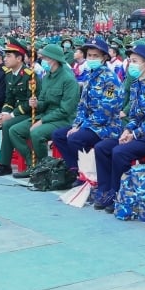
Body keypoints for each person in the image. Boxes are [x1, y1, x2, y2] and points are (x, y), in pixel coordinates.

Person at [91, 43, 145, 212]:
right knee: (103, 147)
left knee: (120, 152)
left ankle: (119, 194)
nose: (131, 64)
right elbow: (135, 116)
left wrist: (135, 134)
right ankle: (105, 190)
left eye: (135, 61)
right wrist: (128, 130)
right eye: (130, 60)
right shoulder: (137, 85)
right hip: (140, 134)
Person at [51, 37, 122, 184]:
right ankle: (75, 169)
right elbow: (82, 105)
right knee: (58, 135)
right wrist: (76, 125)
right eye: (89, 55)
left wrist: (82, 127)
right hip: (89, 125)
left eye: (96, 56)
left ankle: (86, 174)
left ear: (104, 58)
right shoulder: (90, 76)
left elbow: (106, 111)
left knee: (75, 138)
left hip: (106, 128)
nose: (92, 58)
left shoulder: (110, 79)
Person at [8, 44, 80, 174]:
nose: (43, 61)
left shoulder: (68, 80)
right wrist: (36, 104)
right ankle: (33, 164)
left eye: (46, 58)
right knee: (14, 130)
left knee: (37, 133)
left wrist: (42, 121)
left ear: (54, 59)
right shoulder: (47, 77)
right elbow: (43, 101)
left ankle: (45, 168)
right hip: (46, 115)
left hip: (62, 119)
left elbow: (66, 110)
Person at [0, 38, 39, 175]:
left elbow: (31, 102)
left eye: (9, 56)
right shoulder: (9, 75)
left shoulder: (30, 76)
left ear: (19, 58)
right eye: (5, 56)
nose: (5, 59)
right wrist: (4, 112)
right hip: (14, 112)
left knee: (7, 124)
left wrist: (10, 116)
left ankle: (4, 165)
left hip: (28, 113)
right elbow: (9, 99)